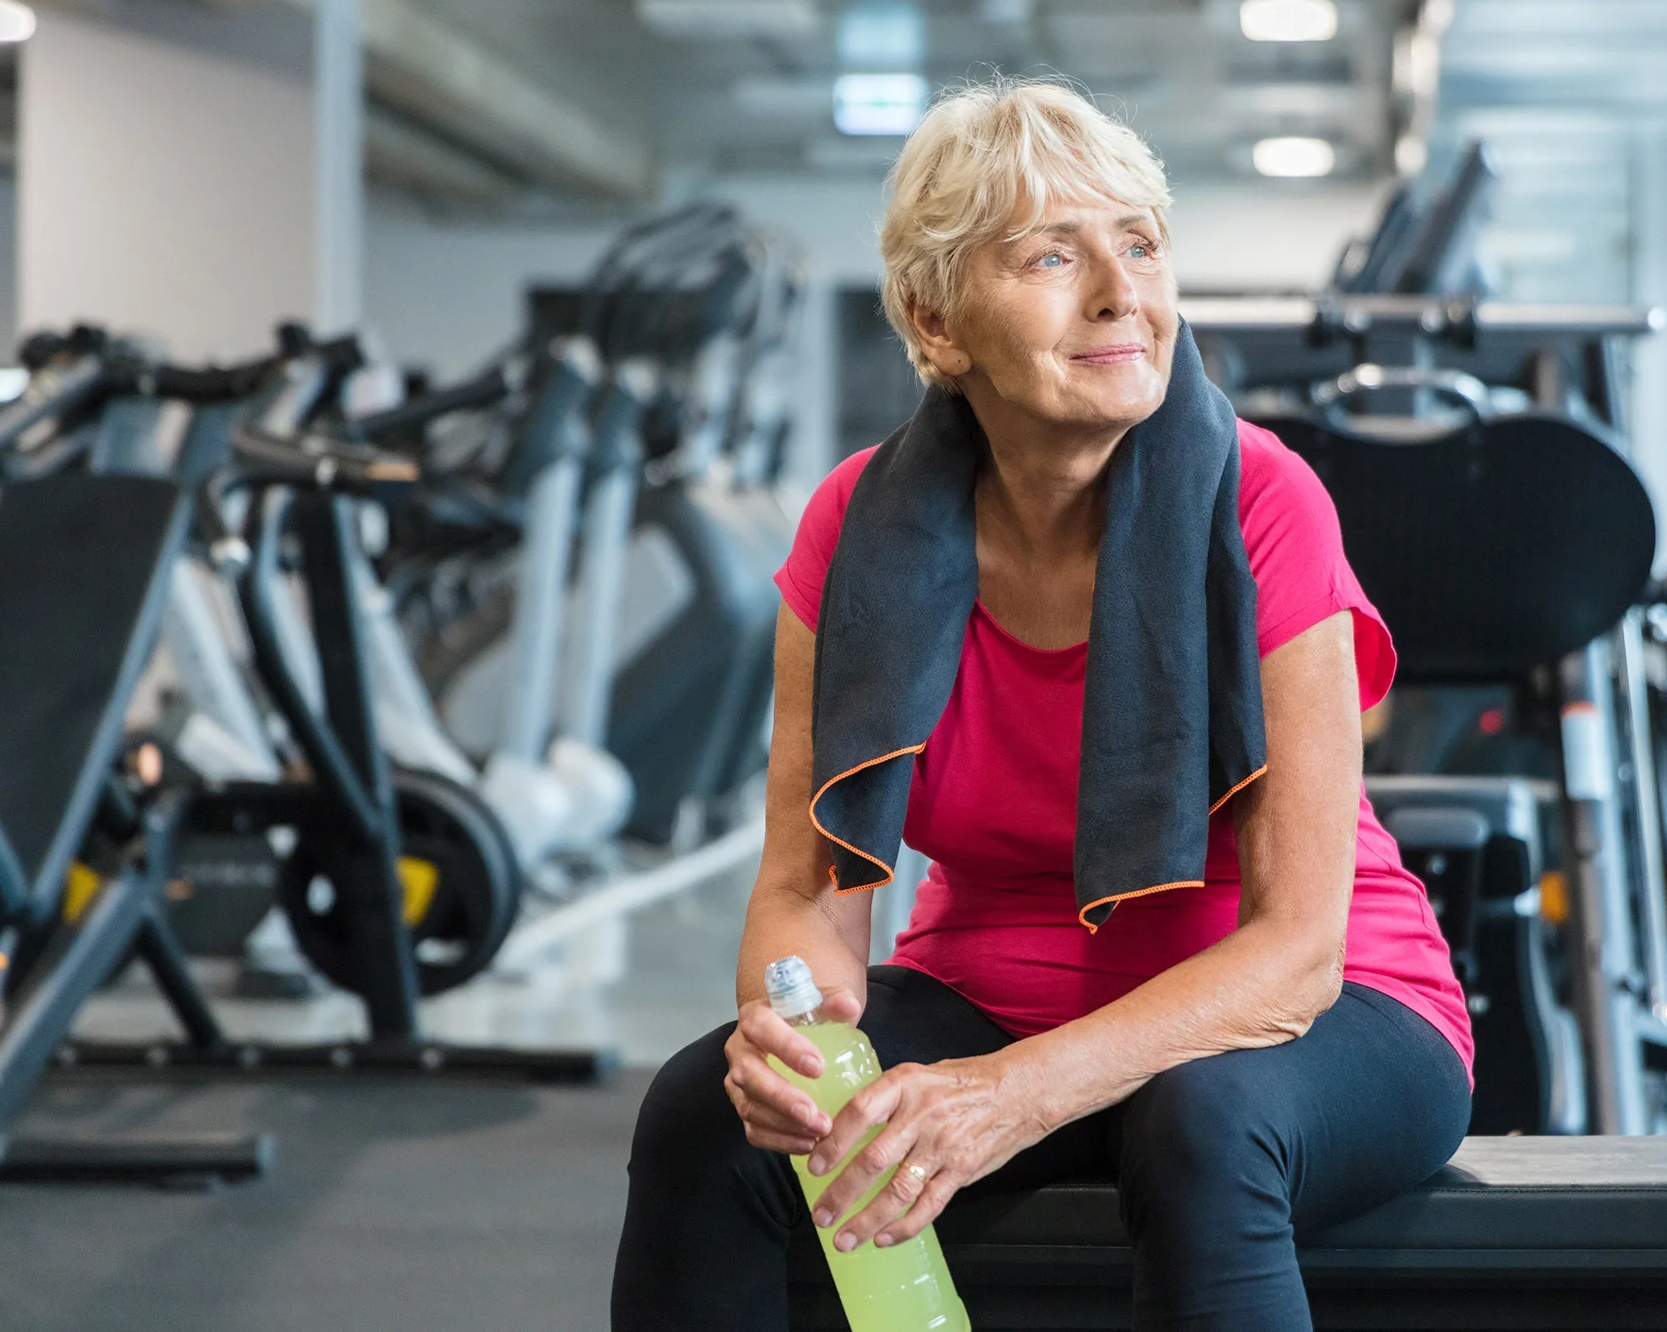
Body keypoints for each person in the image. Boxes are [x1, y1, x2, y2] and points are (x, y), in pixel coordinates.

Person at [613, 77, 1473, 1332]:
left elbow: (1297, 953)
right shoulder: (855, 527)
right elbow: (806, 888)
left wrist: (1013, 1094)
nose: (1123, 292)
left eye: (1139, 244)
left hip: (1321, 1011)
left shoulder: (1264, 503)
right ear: (934, 315)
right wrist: (792, 1038)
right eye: (1050, 255)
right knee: (703, 1114)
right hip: (992, 992)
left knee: (1205, 1121)